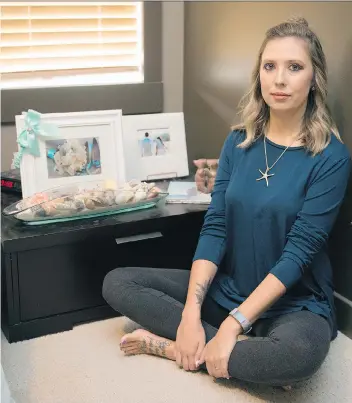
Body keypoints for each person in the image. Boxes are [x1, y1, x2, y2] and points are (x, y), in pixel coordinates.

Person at [102, 17, 351, 389]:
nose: (279, 79)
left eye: (294, 67)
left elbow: (299, 254)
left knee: (298, 358)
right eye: (270, 66)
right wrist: (190, 313)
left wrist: (233, 325)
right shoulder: (238, 142)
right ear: (259, 75)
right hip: (230, 288)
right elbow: (216, 225)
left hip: (293, 302)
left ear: (314, 78)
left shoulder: (332, 157)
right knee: (118, 282)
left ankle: (177, 350)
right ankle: (216, 348)